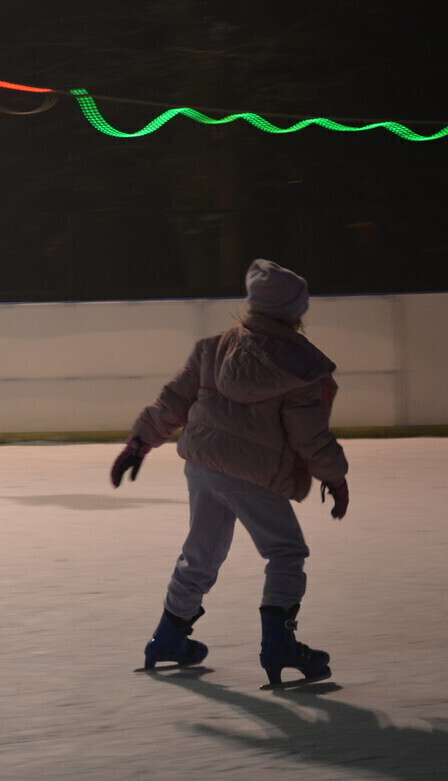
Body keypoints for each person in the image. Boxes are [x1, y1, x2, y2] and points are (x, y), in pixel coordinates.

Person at [111, 259, 349, 688]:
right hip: (254, 473)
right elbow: (308, 435)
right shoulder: (300, 367)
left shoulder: (213, 347)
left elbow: (172, 404)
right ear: (295, 310)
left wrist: (140, 441)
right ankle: (279, 644)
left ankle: (168, 636)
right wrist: (334, 475)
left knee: (201, 552)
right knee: (286, 552)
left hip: (202, 465)